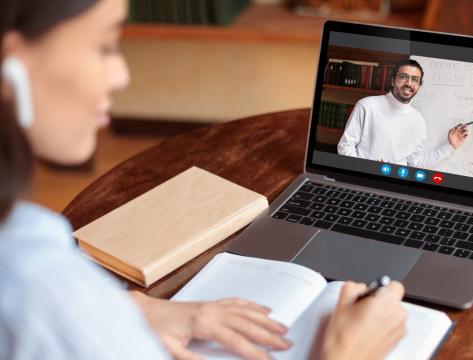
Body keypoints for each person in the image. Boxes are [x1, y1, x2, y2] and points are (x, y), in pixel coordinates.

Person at [0, 0, 406, 359]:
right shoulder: (36, 286)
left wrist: (138, 310)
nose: (121, 74)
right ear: (11, 64)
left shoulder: (27, 233)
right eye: (103, 46)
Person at [337, 59, 469, 168]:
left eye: (415, 79)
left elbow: (414, 162)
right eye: (403, 77)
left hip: (395, 186)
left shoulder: (418, 120)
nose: (409, 84)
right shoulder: (366, 105)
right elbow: (345, 146)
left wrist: (450, 146)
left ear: (418, 86)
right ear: (393, 80)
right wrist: (368, 168)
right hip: (363, 182)